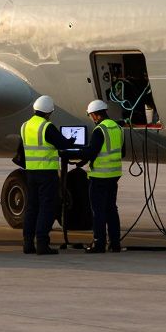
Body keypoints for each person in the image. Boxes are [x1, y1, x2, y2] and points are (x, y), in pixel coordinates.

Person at [14, 95, 70, 255]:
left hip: (31, 173)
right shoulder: (47, 127)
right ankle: (42, 243)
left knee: (32, 207)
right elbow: (62, 144)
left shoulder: (25, 126)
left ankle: (27, 243)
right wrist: (72, 140)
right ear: (50, 112)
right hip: (47, 173)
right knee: (47, 207)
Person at [72, 99, 123, 253]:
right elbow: (123, 151)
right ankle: (115, 243)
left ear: (95, 115)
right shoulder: (117, 128)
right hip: (114, 175)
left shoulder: (99, 130)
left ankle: (98, 243)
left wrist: (78, 156)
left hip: (99, 176)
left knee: (98, 211)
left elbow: (91, 151)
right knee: (111, 210)